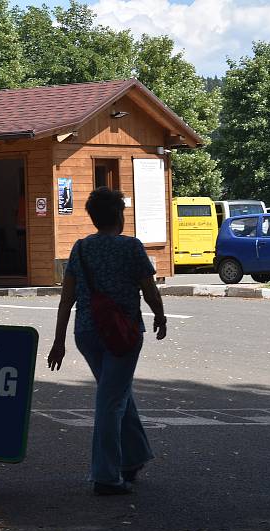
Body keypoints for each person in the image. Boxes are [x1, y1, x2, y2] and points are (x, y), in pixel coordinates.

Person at [47, 187, 167, 496]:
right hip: (122, 334)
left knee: (115, 393)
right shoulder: (132, 247)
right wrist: (160, 316)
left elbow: (66, 299)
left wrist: (59, 341)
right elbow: (150, 290)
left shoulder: (81, 248)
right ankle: (105, 475)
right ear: (119, 216)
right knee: (111, 400)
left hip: (86, 332)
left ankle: (134, 458)